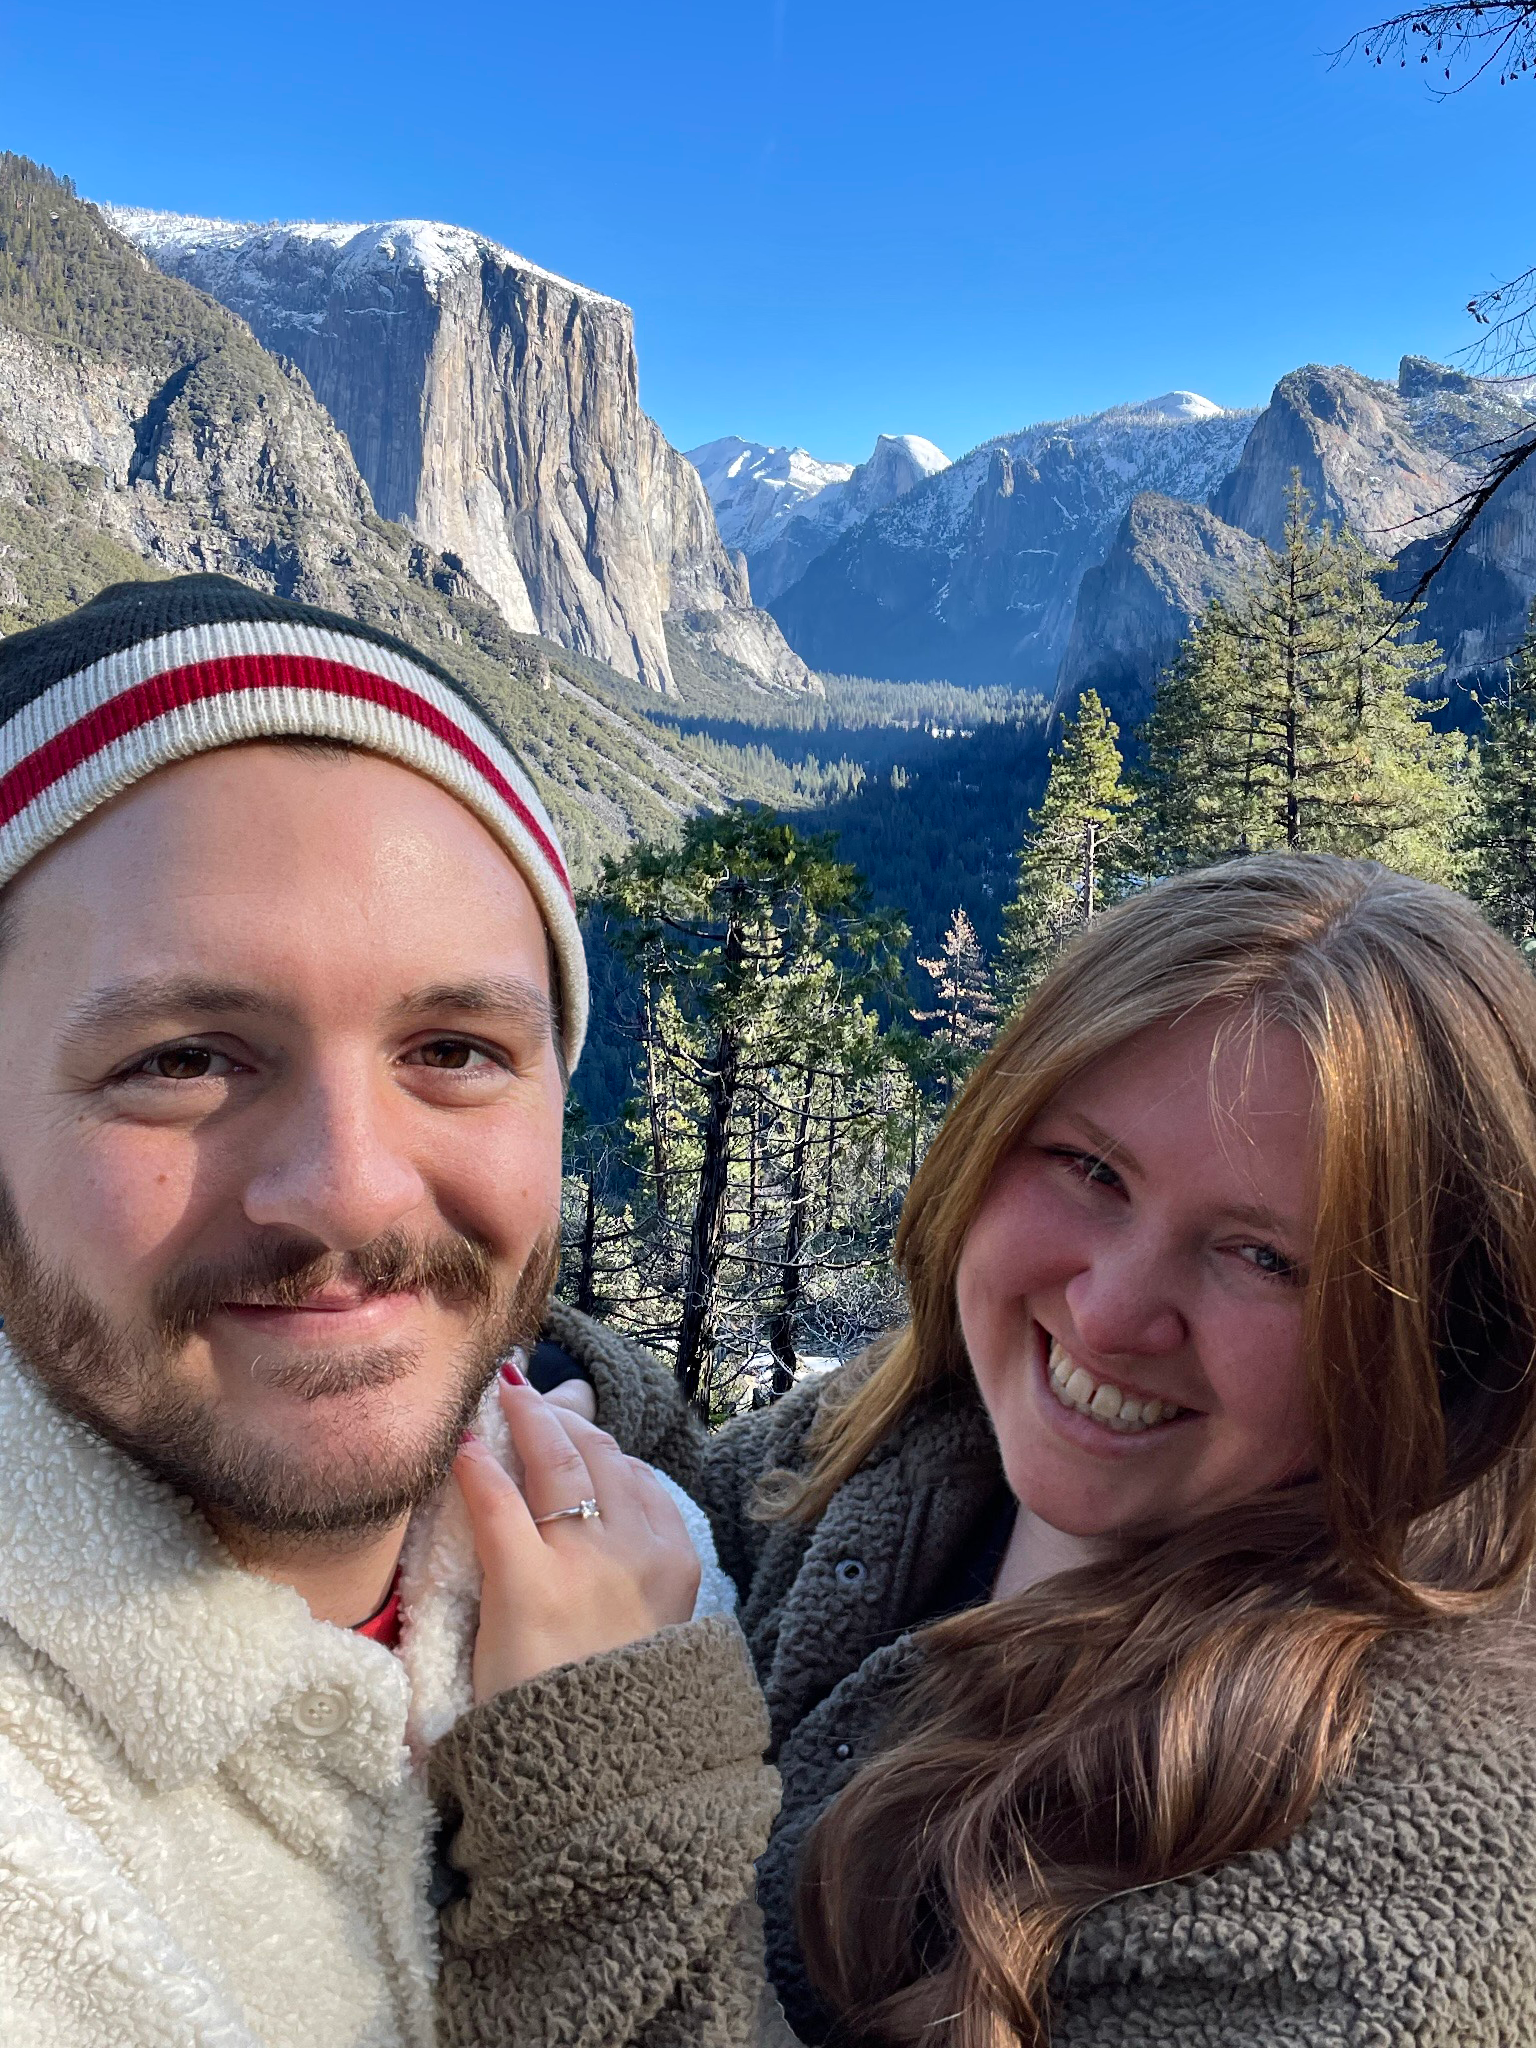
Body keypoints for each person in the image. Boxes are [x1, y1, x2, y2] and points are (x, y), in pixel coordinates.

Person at [457, 852, 1536, 2046]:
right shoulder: (938, 1422)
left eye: (1266, 1257)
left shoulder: (1407, 1875)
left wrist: (601, 1782)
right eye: (1092, 1169)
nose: (1111, 1313)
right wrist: (501, 1372)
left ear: (1449, 1343)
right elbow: (714, 1516)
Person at [0, 573, 777, 2048]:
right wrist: (618, 1802)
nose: (351, 1192)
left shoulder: (652, 1547)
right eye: (184, 1058)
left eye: (454, 1048)